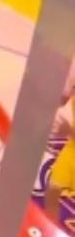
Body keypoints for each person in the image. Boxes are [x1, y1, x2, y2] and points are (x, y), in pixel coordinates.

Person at [45, 60, 75, 226]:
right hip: (71, 150)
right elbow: (60, 97)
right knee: (52, 192)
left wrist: (68, 131)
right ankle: (51, 230)